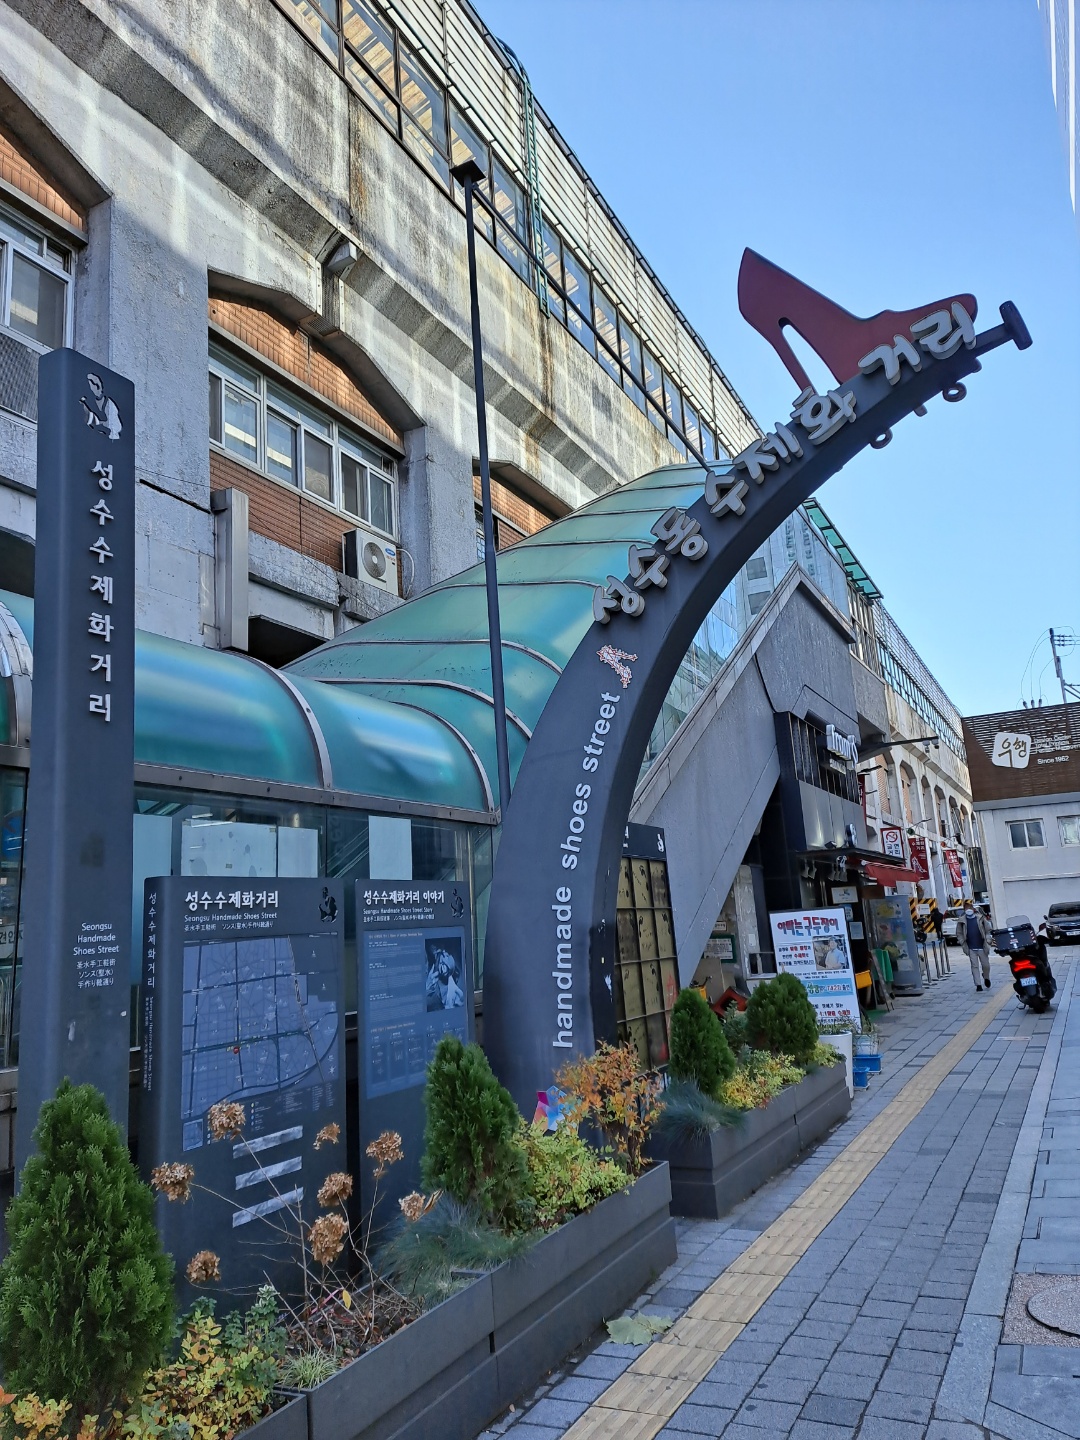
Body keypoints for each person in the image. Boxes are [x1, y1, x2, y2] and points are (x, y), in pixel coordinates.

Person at [959, 901, 994, 991]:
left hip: (982, 947)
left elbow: (988, 930)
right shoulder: (961, 920)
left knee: (986, 965)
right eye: (966, 908)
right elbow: (959, 933)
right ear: (964, 910)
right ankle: (978, 985)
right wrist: (962, 942)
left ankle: (986, 977)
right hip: (971, 948)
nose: (968, 910)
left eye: (970, 908)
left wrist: (988, 939)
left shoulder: (980, 918)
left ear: (973, 909)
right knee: (974, 966)